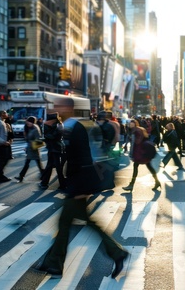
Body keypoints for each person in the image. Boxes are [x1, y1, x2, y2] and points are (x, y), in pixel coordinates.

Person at [37, 119, 128, 278]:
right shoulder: (74, 125)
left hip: (78, 186)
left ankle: (54, 263)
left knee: (65, 223)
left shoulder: (79, 127)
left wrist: (81, 188)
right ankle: (116, 253)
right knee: (83, 222)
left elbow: (85, 158)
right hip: (77, 184)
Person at [122, 119, 160, 191]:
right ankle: (157, 182)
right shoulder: (138, 129)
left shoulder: (136, 131)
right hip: (143, 151)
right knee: (148, 167)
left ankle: (131, 185)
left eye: (132, 124)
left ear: (135, 124)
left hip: (140, 152)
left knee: (137, 167)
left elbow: (137, 142)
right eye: (130, 124)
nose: (130, 125)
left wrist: (132, 140)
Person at [39, 112, 67, 190]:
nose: (46, 121)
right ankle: (44, 182)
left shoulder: (59, 125)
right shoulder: (52, 125)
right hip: (52, 148)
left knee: (57, 167)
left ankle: (62, 184)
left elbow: (53, 136)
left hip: (57, 148)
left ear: (53, 120)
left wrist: (45, 137)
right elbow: (48, 135)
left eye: (48, 120)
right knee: (50, 166)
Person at [15, 116, 44, 182]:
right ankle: (21, 176)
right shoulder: (30, 128)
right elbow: (28, 139)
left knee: (37, 163)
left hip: (34, 149)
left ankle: (21, 176)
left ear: (32, 122)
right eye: (27, 123)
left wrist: (30, 143)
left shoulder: (35, 129)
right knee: (29, 163)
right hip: (30, 148)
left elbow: (38, 140)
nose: (28, 124)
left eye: (29, 123)